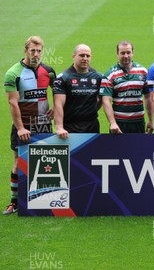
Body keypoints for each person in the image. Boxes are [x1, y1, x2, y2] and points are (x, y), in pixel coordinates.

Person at [3, 36, 55, 215]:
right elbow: (12, 103)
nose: (36, 54)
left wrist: (56, 108)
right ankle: (14, 202)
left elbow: (59, 91)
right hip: (23, 124)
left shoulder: (48, 71)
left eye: (39, 51)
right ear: (25, 51)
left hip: (43, 124)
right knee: (18, 162)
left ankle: (45, 199)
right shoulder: (13, 73)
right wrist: (19, 128)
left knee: (45, 160)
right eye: (32, 50)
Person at [100, 41, 153, 134]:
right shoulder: (109, 75)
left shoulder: (143, 72)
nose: (126, 56)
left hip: (139, 122)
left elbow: (148, 97)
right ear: (117, 54)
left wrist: (151, 120)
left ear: (133, 52)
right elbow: (106, 100)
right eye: (122, 53)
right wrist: (112, 123)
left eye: (128, 52)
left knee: (139, 149)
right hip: (119, 124)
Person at [53, 44, 103, 139]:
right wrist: (59, 127)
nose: (85, 58)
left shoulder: (98, 77)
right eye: (81, 55)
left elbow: (102, 99)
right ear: (74, 56)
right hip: (70, 127)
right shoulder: (63, 78)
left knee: (92, 154)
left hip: (92, 126)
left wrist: (91, 110)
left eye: (88, 56)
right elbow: (58, 104)